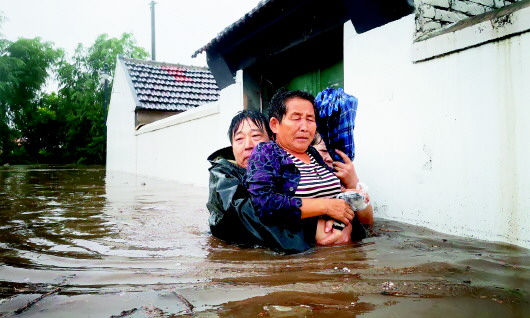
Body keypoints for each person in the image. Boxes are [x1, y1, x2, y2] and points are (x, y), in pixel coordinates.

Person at [245, 88, 373, 246]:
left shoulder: (314, 154)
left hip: (348, 248)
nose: (304, 127)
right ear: (274, 124)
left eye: (310, 119)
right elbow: (264, 203)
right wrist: (326, 206)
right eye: (296, 118)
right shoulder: (266, 153)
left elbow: (334, 200)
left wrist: (349, 193)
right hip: (308, 256)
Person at [206, 110, 313, 254]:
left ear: (271, 141)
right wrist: (314, 230)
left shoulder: (287, 167)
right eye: (239, 139)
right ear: (232, 147)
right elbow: (242, 215)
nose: (248, 145)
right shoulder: (222, 175)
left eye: (256, 136)